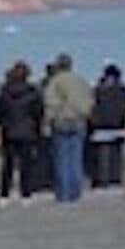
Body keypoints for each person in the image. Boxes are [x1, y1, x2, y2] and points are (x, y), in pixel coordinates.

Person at [0, 61, 45, 202]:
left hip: (8, 131)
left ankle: (4, 194)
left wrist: (2, 123)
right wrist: (37, 128)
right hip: (27, 131)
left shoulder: (4, 92)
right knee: (26, 164)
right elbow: (39, 113)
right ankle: (26, 193)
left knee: (7, 164)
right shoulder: (33, 93)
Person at [42, 54, 92, 204]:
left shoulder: (55, 82)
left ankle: (63, 194)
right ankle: (75, 192)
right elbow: (90, 101)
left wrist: (47, 121)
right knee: (76, 158)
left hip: (62, 120)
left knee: (61, 159)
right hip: (79, 120)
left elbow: (51, 103)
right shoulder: (81, 81)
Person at [87, 64, 125, 192]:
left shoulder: (97, 90)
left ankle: (103, 181)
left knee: (102, 155)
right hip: (117, 125)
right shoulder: (123, 90)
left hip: (100, 126)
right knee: (115, 154)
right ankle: (114, 179)